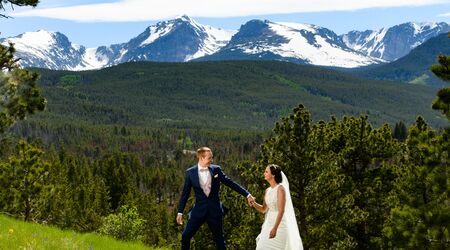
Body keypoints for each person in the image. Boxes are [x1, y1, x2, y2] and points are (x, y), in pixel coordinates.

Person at [176, 146, 255, 250]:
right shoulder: (190, 173)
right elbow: (185, 194)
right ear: (201, 158)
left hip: (215, 211)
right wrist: (180, 212)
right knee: (185, 236)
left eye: (211, 157)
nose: (211, 160)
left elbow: (230, 183)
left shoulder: (216, 170)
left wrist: (247, 194)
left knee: (219, 240)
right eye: (209, 158)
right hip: (198, 211)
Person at [251, 164, 303, 250]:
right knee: (261, 247)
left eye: (266, 171)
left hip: (280, 226)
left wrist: (275, 228)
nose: (264, 173)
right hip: (268, 225)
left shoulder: (280, 189)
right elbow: (263, 210)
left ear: (273, 175)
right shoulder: (267, 190)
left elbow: (281, 211)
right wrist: (254, 203)